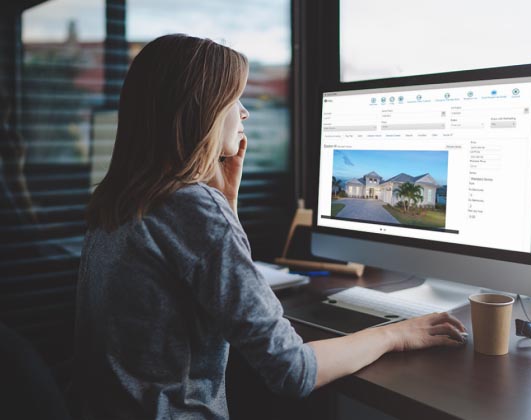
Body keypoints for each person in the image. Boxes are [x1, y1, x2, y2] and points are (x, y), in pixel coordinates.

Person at [70, 34, 467, 420]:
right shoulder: (189, 206)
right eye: (234, 98)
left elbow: (206, 281)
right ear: (201, 110)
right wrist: (395, 334)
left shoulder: (121, 200)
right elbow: (293, 371)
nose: (244, 112)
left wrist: (226, 204)